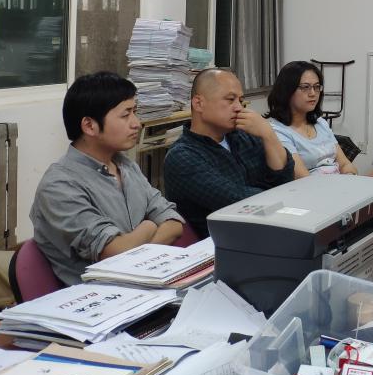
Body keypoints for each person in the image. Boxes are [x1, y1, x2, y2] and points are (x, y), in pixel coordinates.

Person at [31, 72, 183, 285]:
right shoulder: (59, 185)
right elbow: (116, 253)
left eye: (135, 112)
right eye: (125, 115)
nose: (136, 124)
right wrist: (149, 225)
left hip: (146, 284)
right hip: (101, 297)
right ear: (89, 126)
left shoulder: (125, 165)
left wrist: (136, 248)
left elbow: (174, 223)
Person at [163, 68, 306, 237]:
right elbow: (241, 202)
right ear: (198, 103)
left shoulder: (243, 136)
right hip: (226, 242)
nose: (239, 107)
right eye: (230, 100)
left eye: (241, 100)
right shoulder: (182, 156)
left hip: (271, 227)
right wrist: (284, 196)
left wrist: (269, 135)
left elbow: (285, 179)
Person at [266, 61, 357, 175]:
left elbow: (344, 164)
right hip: (310, 185)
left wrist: (349, 176)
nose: (313, 93)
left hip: (339, 182)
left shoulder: (320, 123)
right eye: (305, 87)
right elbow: (302, 178)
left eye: (317, 87)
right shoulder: (277, 130)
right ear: (287, 90)